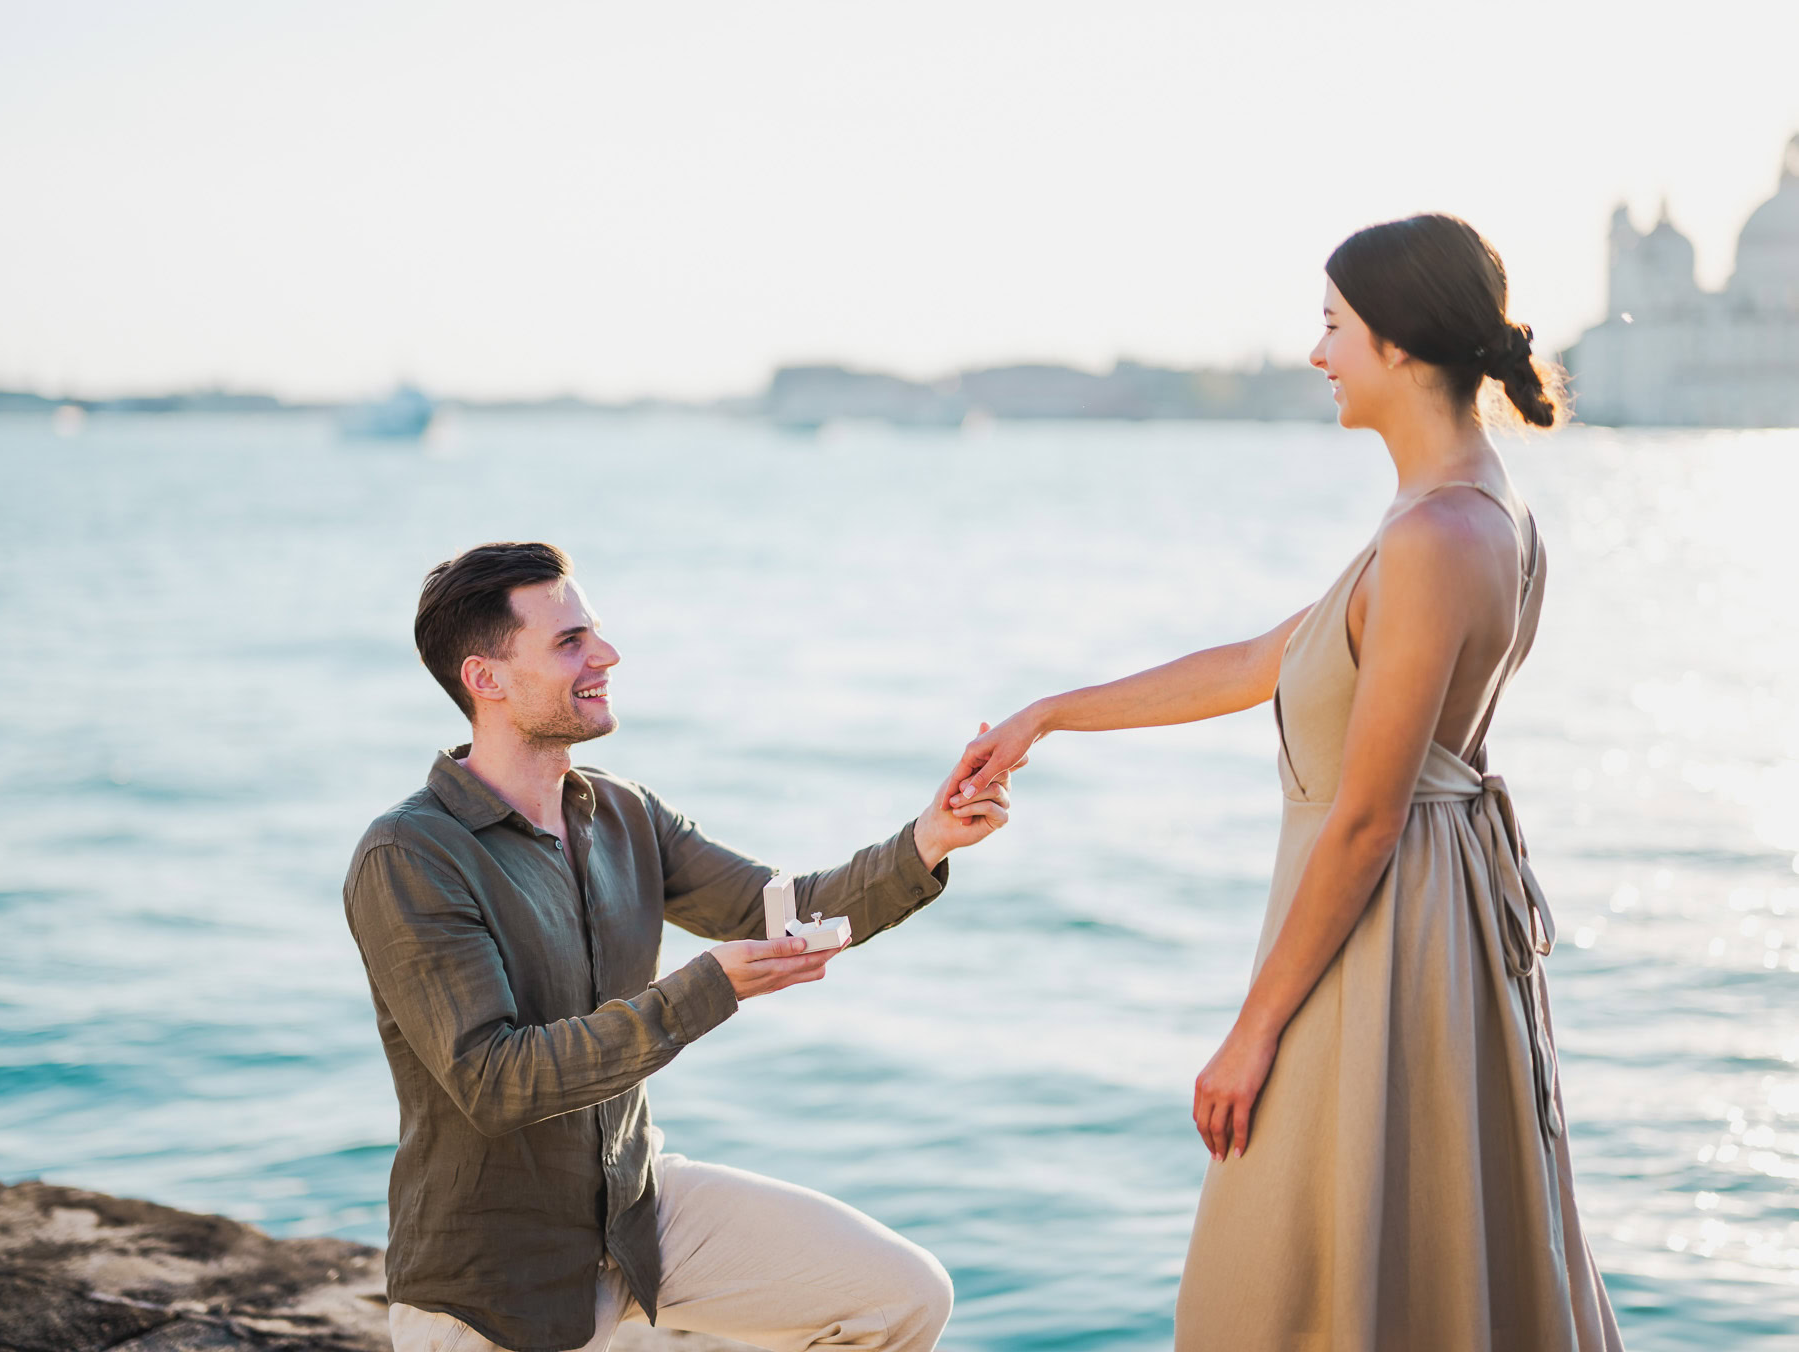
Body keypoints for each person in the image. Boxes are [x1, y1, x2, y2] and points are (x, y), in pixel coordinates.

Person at [952, 215, 1623, 1349]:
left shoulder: (1440, 532)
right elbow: (1268, 657)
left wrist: (1251, 1029)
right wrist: (1051, 715)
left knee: (1293, 1258)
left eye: (1333, 327)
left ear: (1401, 344)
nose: (1317, 354)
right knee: (1374, 1253)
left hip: (1387, 935)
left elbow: (1365, 817)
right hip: (1415, 916)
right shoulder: (1460, 508)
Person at [344, 541, 1013, 1352]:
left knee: (902, 1296)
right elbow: (494, 1082)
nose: (608, 654)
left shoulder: (625, 813)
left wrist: (928, 840)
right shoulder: (410, 854)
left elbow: (783, 911)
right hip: (491, 1287)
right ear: (485, 679)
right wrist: (706, 989)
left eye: (594, 631)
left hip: (636, 1211)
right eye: (570, 643)